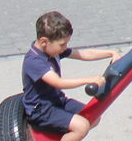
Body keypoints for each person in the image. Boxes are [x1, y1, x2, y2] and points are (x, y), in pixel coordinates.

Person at [21, 11, 117, 139]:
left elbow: (84, 54)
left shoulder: (52, 49)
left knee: (94, 116)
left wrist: (111, 53)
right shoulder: (33, 61)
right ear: (44, 41)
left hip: (58, 101)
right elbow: (58, 82)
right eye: (62, 44)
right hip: (41, 111)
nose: (65, 47)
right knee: (81, 127)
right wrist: (88, 79)